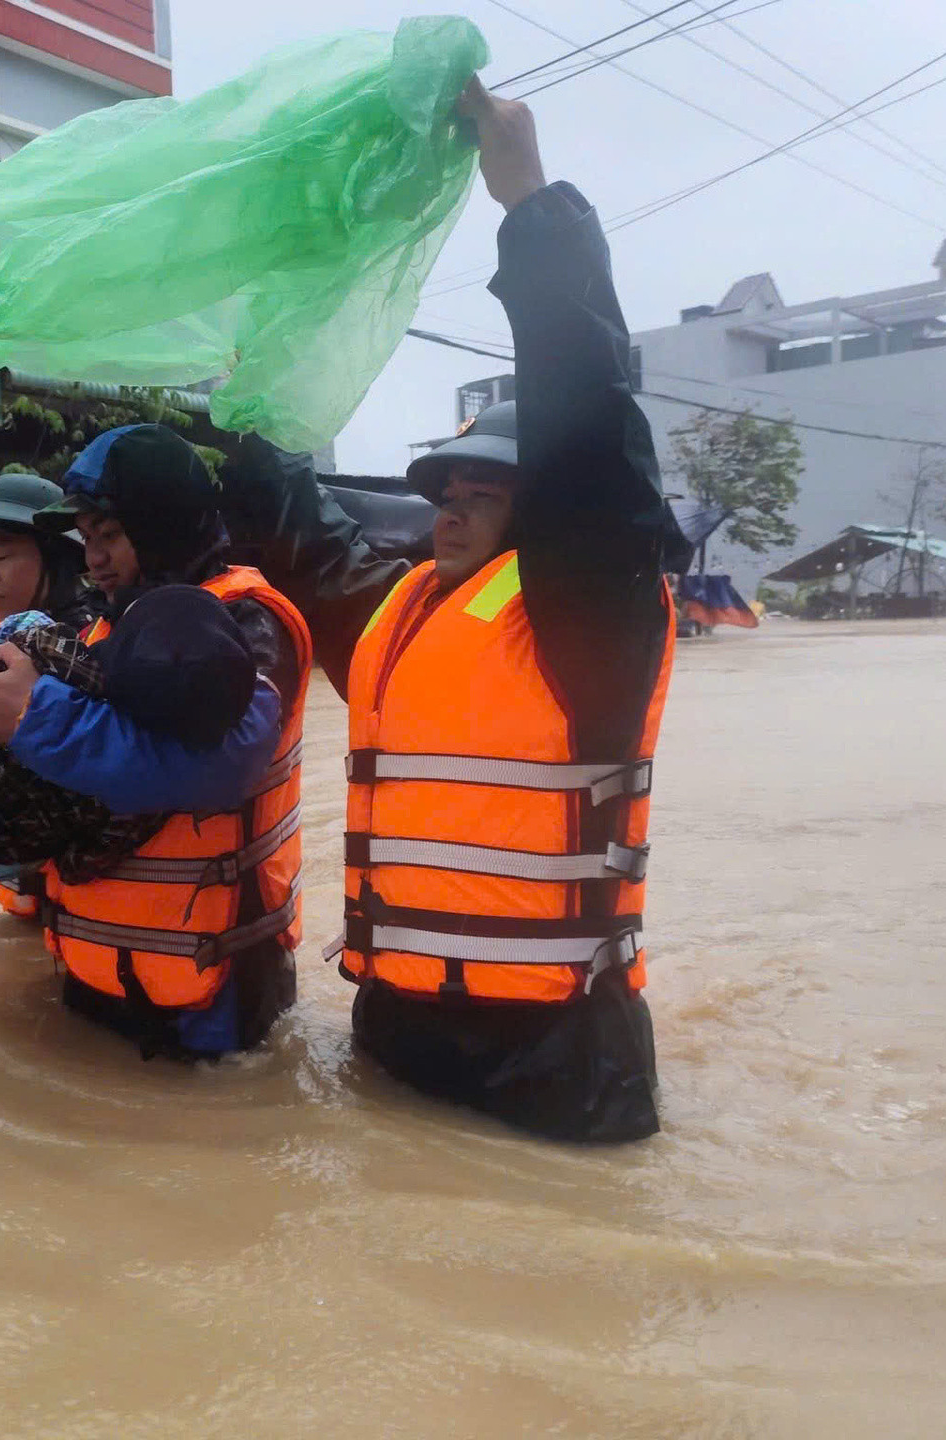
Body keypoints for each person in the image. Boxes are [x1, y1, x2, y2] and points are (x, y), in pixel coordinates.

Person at [219, 77, 689, 1141]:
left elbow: (591, 427)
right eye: (447, 492)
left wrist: (529, 206)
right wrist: (254, 390)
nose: (454, 508)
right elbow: (294, 531)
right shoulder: (396, 619)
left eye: (488, 494)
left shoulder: (588, 623)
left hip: (556, 1058)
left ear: (544, 517)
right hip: (397, 1031)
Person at [0, 424, 312, 1060]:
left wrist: (30, 716)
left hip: (212, 991)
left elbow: (224, 763)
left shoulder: (249, 618)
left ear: (164, 524)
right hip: (88, 970)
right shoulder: (93, 630)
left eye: (110, 535)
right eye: (85, 538)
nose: (94, 559)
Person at [0, 587, 259, 888]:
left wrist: (21, 709)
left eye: (2, 554)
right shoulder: (96, 633)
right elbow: (80, 861)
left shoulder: (50, 652)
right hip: (16, 871)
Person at [0, 471, 99, 919]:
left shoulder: (99, 642)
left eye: (2, 556)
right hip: (15, 893)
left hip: (81, 903)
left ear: (56, 555)